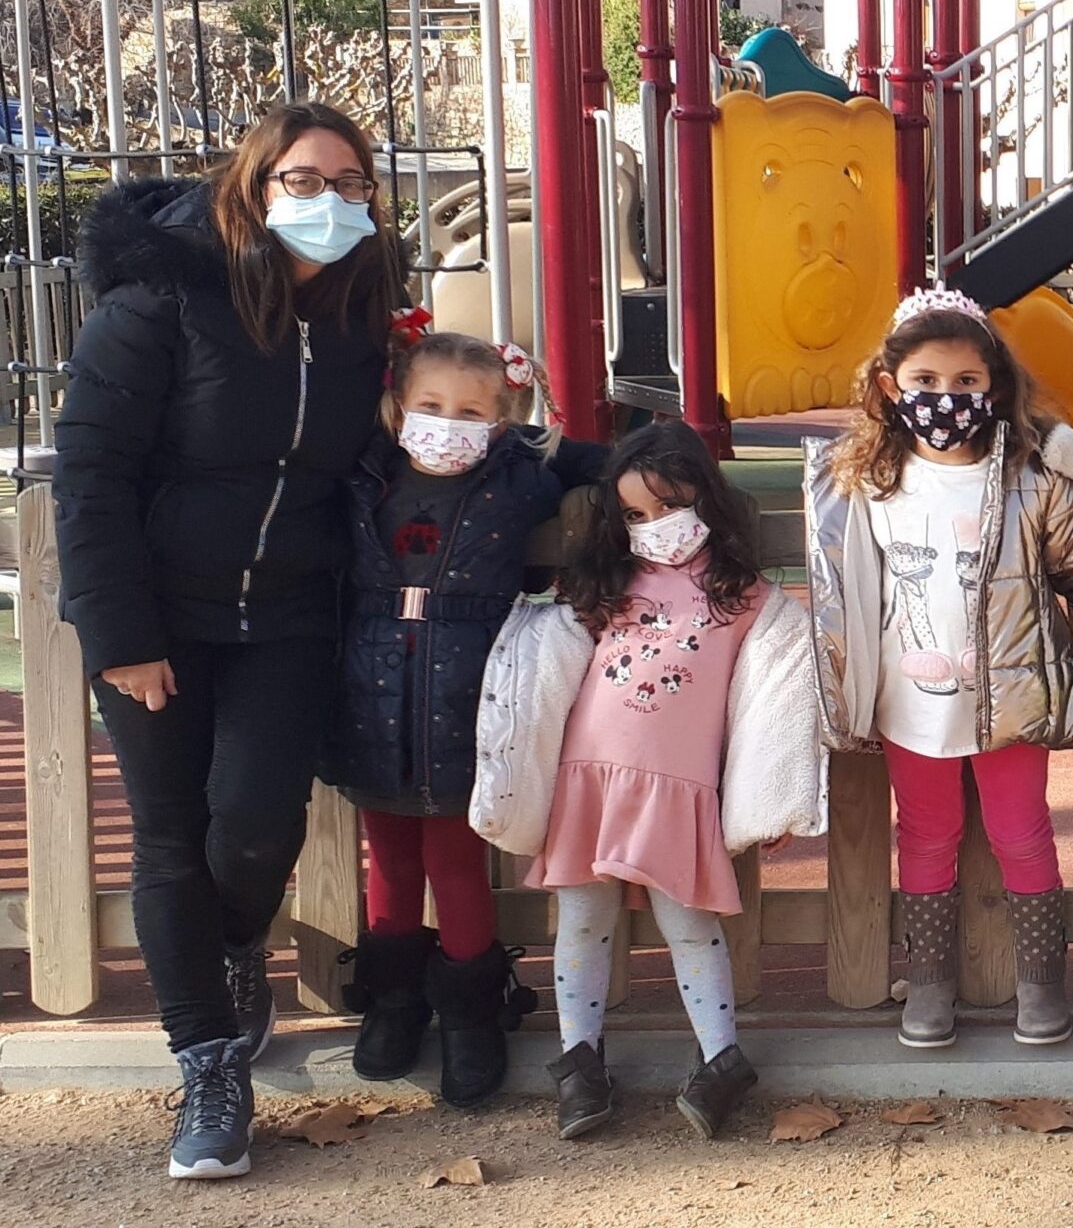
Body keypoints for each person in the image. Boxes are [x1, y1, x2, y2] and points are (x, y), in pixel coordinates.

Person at [54, 100, 404, 1180]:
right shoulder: (160, 297)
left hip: (288, 611)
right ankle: (208, 1066)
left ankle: (234, 942)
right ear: (251, 188)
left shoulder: (357, 309)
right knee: (170, 835)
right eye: (304, 179)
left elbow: (399, 437)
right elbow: (91, 472)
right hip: (162, 613)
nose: (330, 200)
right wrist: (121, 632)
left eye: (350, 182)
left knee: (256, 825)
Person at [471, 421, 826, 1141]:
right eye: (636, 513)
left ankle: (722, 1061)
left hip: (677, 788)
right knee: (583, 920)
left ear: (705, 496)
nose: (655, 525)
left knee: (689, 925)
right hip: (587, 782)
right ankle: (579, 1065)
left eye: (669, 505)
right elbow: (540, 674)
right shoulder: (603, 584)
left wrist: (774, 798)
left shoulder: (747, 598)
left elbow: (775, 703)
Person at [803, 287, 1073, 1052]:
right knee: (926, 835)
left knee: (1023, 832)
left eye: (965, 382)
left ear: (995, 387)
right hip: (909, 703)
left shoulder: (1032, 479)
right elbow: (839, 593)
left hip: (1011, 696)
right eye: (925, 381)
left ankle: (1041, 983)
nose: (945, 397)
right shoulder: (863, 482)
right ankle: (928, 982)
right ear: (890, 386)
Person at [322, 326, 605, 1109]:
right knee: (390, 862)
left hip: (471, 693)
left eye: (471, 412)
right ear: (398, 406)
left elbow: (608, 463)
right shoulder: (363, 472)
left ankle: (472, 1013)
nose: (449, 424)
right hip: (372, 692)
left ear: (501, 420)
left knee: (455, 862)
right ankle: (393, 1000)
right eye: (432, 405)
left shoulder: (520, 475)